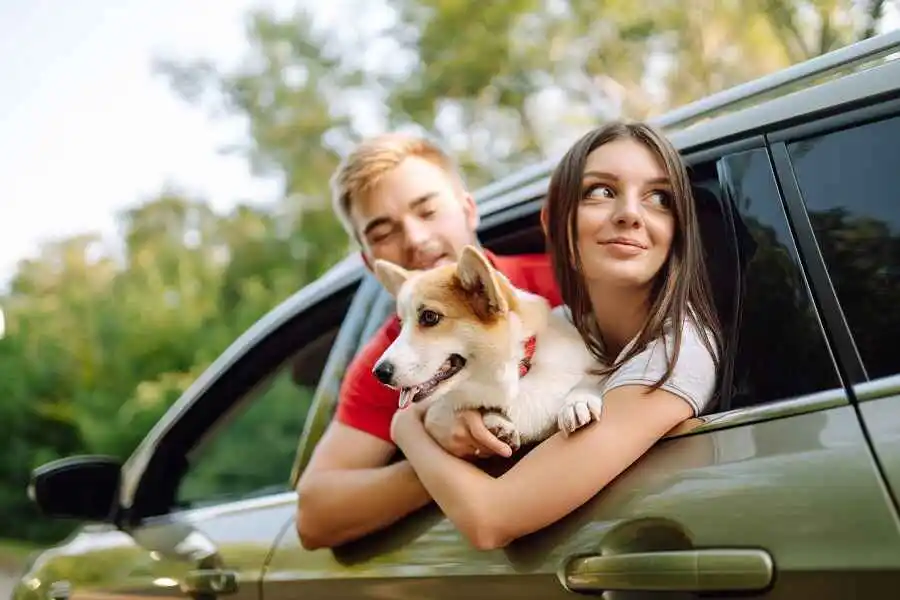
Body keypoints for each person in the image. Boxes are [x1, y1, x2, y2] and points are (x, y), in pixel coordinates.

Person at [389, 121, 723, 550]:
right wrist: (448, 418)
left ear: (678, 228)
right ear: (553, 222)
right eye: (601, 191)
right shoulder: (557, 328)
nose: (630, 213)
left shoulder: (677, 356)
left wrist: (406, 428)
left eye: (659, 197)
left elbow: (492, 519)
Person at [295, 132, 564, 549]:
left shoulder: (565, 284)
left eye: (428, 211)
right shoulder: (392, 357)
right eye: (383, 233)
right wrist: (436, 452)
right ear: (369, 260)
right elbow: (315, 515)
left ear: (468, 210)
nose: (416, 240)